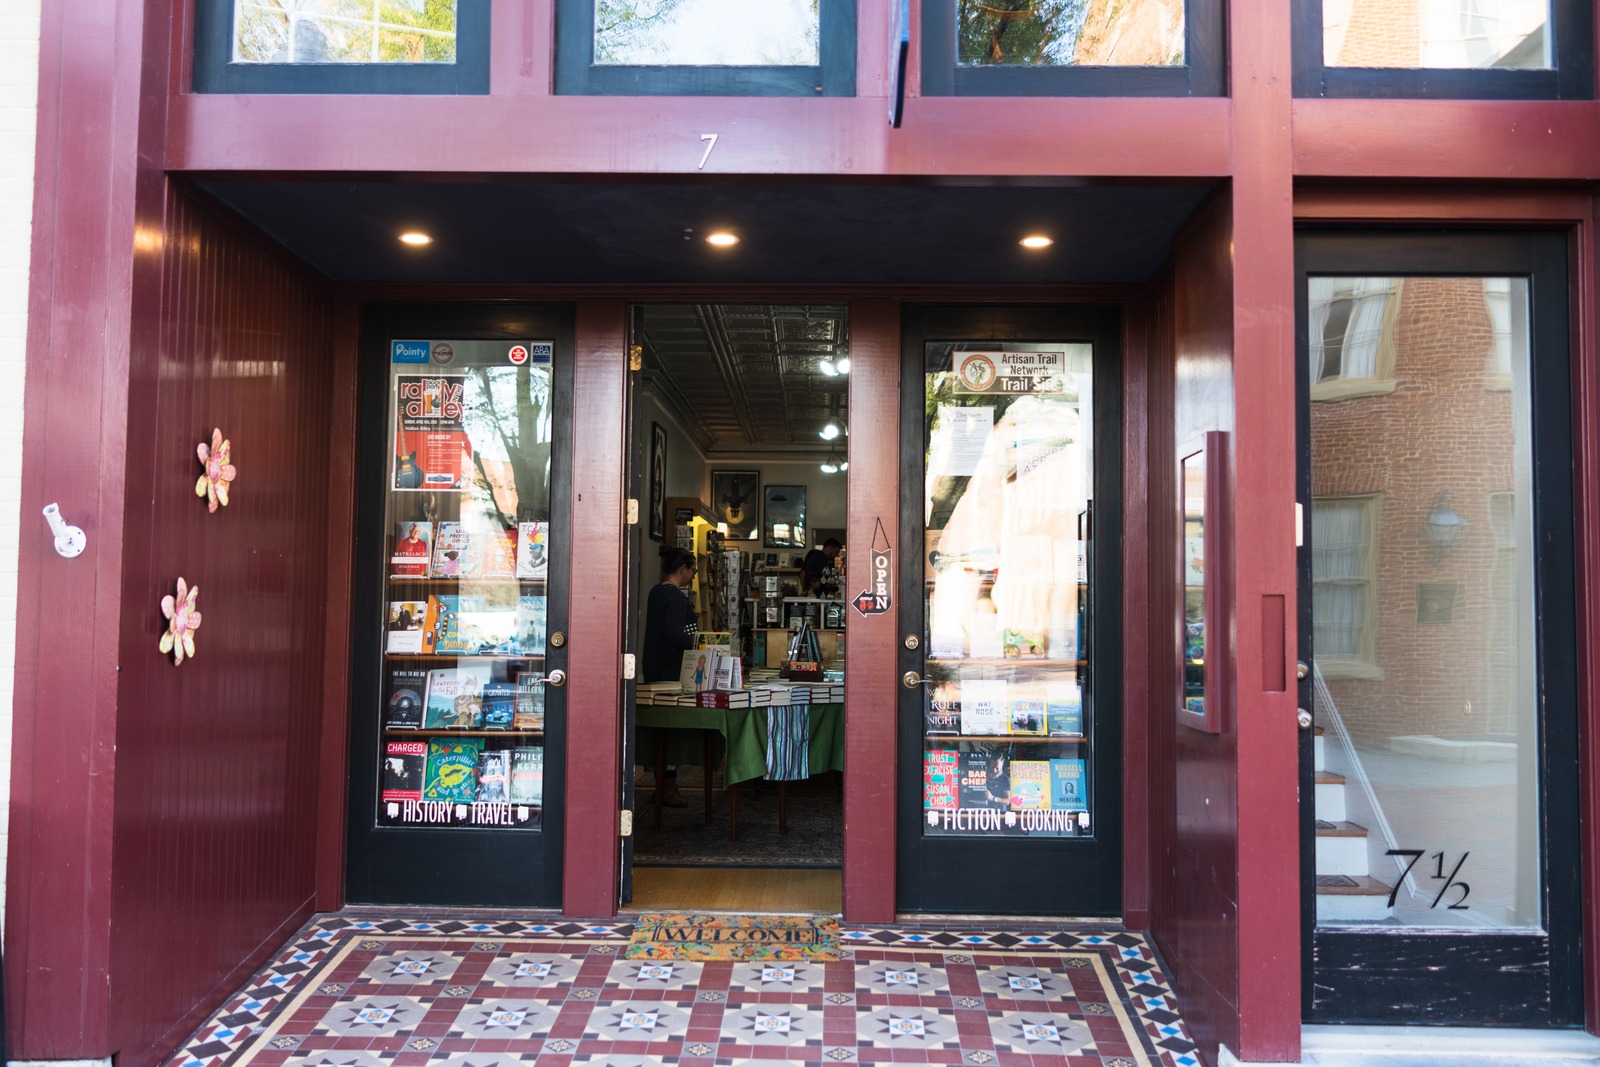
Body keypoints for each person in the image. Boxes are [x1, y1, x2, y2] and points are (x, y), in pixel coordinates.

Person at [642, 544, 698, 806]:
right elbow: (676, 633)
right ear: (682, 569)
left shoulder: (656, 592)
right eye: (692, 570)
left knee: (659, 728)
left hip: (654, 665)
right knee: (671, 728)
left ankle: (660, 783)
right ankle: (668, 785)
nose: (694, 575)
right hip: (671, 667)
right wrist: (698, 642)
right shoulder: (676, 597)